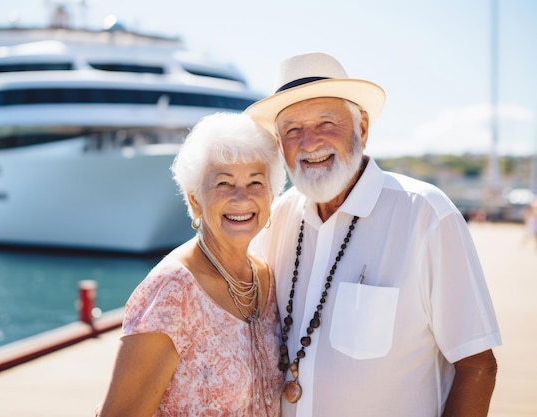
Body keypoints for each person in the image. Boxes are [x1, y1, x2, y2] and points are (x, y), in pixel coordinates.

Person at [246, 52, 502, 417]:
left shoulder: (425, 214)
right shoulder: (277, 217)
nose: (310, 142)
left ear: (362, 129)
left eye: (325, 123)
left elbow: (477, 365)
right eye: (292, 130)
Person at [96, 112, 287, 417]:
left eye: (255, 182)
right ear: (195, 199)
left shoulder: (267, 278)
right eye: (224, 183)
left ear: (272, 194)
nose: (242, 198)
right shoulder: (173, 290)